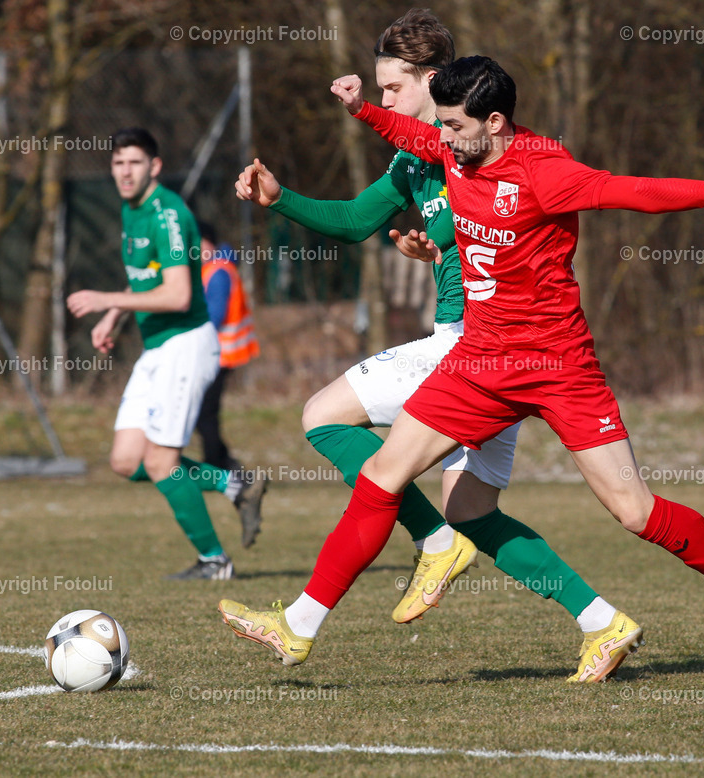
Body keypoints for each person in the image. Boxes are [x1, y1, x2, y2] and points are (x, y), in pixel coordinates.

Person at [220, 57, 704, 681]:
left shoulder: (546, 171)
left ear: (494, 122)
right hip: (481, 362)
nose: (438, 136)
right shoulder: (453, 148)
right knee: (383, 477)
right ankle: (299, 627)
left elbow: (632, 190)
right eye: (436, 125)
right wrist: (364, 109)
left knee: (635, 513)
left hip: (558, 365)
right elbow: (411, 136)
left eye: (451, 125)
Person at [231, 10, 621, 653]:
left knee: (323, 417)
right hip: (496, 355)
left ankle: (419, 550)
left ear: (433, 81)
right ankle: (601, 621)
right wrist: (281, 200)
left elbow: (516, 229)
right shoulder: (417, 160)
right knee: (475, 512)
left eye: (393, 88)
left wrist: (444, 248)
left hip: (477, 348)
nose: (384, 100)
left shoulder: (471, 149)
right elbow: (359, 219)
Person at [67, 127, 263, 580]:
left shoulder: (168, 214)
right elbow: (145, 280)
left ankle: (214, 561)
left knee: (160, 461)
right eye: (117, 164)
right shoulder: (130, 210)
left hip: (186, 344)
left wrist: (103, 299)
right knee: (126, 461)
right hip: (157, 348)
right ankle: (233, 483)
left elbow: (176, 295)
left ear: (154, 166)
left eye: (134, 163)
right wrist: (112, 315)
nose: (124, 172)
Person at [196, 222, 267, 548]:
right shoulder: (215, 268)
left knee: (205, 418)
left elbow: (215, 315)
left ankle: (227, 473)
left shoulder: (217, 271)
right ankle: (231, 474)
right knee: (204, 417)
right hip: (218, 355)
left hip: (218, 355)